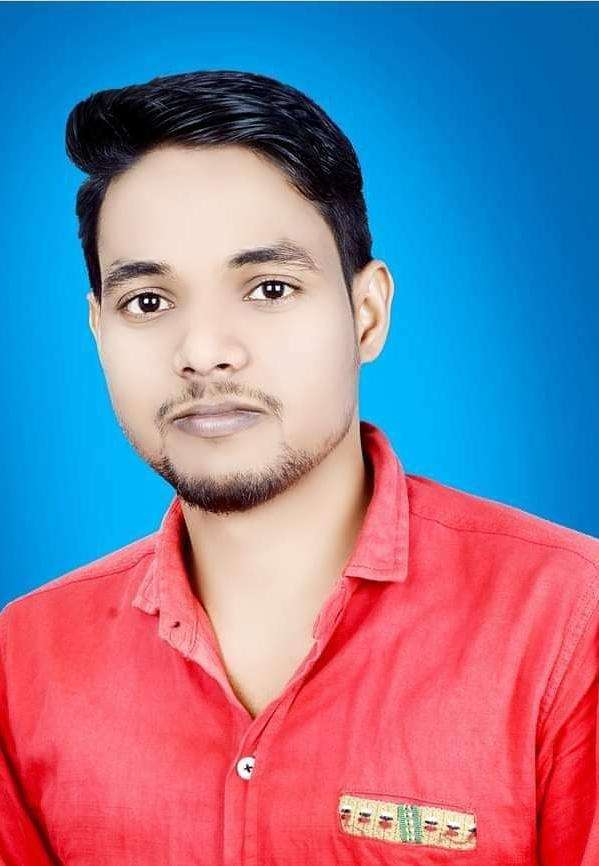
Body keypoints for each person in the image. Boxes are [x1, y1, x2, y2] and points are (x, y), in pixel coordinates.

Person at [1, 69, 597, 866]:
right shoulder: (23, 661)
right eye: (147, 302)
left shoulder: (567, 621)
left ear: (366, 314)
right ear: (99, 333)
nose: (203, 351)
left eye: (269, 287)